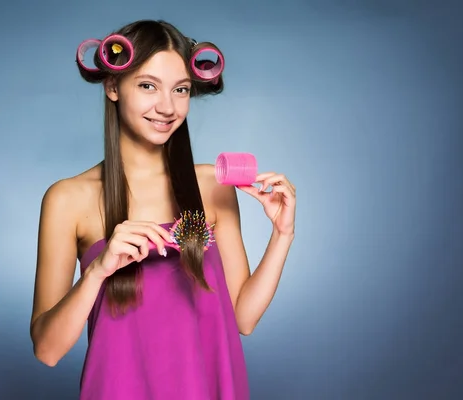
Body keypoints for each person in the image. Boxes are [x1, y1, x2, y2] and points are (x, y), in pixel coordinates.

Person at [30, 19, 296, 400]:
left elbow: (244, 318)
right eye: (147, 86)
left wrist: (282, 235)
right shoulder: (68, 199)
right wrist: (97, 271)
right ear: (112, 87)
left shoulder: (211, 186)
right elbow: (47, 350)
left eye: (181, 89)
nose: (167, 107)